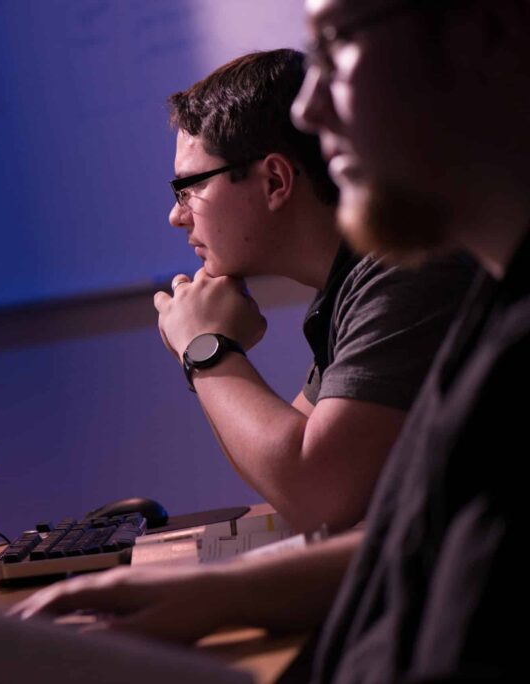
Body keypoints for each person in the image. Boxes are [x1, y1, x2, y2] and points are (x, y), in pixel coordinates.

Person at [14, 0, 528, 679]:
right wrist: (219, 591)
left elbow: (320, 489)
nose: (311, 110)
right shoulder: (482, 299)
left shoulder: (420, 273)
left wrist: (207, 349)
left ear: (487, 30)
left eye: (337, 43)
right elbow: (411, 530)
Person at [155, 49, 473, 533]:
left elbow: (317, 494)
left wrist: (206, 349)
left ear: (275, 181)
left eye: (189, 187)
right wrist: (207, 351)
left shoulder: (405, 272)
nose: (177, 216)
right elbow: (285, 479)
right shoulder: (353, 283)